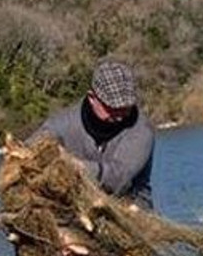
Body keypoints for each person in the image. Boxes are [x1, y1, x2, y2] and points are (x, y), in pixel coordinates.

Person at [31, 60, 156, 209]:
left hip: (130, 205)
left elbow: (117, 179)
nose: (121, 115)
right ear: (92, 98)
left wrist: (70, 164)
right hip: (72, 205)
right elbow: (32, 149)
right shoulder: (61, 124)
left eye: (126, 108)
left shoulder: (141, 130)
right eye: (113, 108)